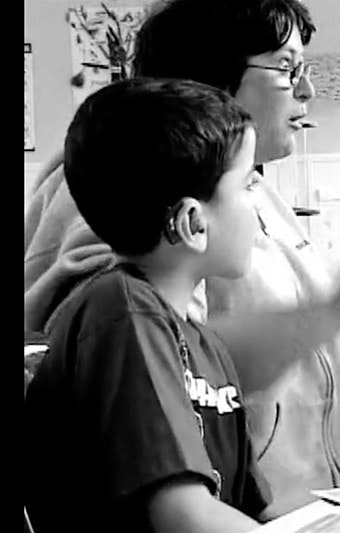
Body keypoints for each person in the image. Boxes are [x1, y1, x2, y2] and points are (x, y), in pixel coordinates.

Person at [23, 0, 340, 518]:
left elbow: (241, 345)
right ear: (209, 76)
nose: (306, 90)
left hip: (289, 512)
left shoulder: (247, 187)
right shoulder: (132, 189)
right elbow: (148, 358)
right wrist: (338, 309)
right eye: (287, 68)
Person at [25, 78, 270, 533]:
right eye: (249, 183)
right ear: (193, 223)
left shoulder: (203, 342)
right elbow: (184, 518)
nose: (259, 204)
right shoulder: (123, 314)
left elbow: (252, 512)